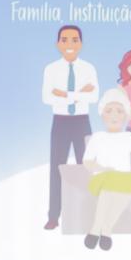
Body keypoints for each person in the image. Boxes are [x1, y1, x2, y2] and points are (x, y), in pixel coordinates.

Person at [42, 24, 99, 231]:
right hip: (60, 121)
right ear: (58, 43)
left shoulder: (89, 68)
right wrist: (78, 93)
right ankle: (54, 216)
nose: (69, 44)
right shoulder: (51, 69)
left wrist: (64, 94)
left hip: (82, 121)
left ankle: (92, 214)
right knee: (57, 168)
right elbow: (47, 97)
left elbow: (93, 96)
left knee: (88, 167)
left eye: (74, 40)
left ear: (81, 44)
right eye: (64, 40)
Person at [81, 88, 131, 251]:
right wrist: (101, 168)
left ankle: (106, 229)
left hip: (124, 178)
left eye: (119, 111)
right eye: (109, 111)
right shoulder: (98, 137)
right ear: (102, 114)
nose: (114, 115)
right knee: (108, 192)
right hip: (103, 177)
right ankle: (95, 229)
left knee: (124, 196)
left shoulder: (128, 137)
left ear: (125, 115)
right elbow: (87, 161)